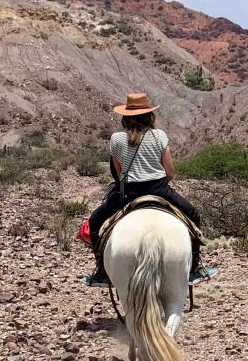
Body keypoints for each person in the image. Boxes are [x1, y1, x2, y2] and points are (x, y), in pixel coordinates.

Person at [85, 92, 204, 285]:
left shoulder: (116, 139)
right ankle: (194, 268)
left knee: (95, 221)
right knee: (193, 215)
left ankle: (101, 270)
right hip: (159, 189)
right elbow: (170, 172)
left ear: (126, 116)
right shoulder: (159, 136)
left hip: (129, 193)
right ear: (149, 115)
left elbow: (118, 172)